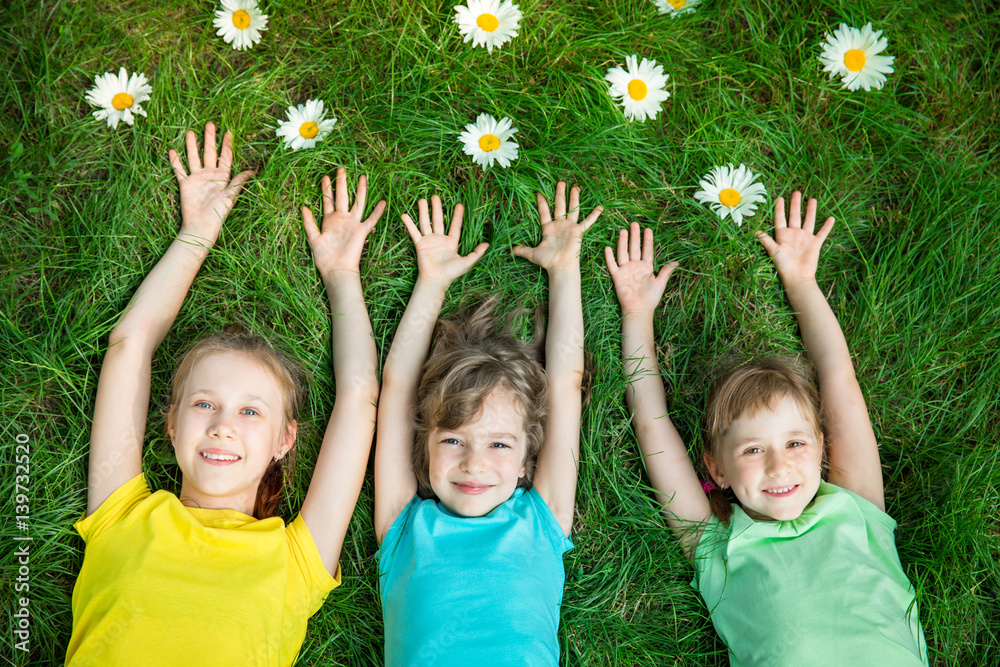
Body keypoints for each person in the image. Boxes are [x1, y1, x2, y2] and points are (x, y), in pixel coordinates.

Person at [66, 123, 384, 666]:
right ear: (170, 423)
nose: (222, 425)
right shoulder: (121, 517)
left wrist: (341, 273)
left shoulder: (294, 561)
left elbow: (360, 397)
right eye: (204, 403)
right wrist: (196, 234)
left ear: (285, 440)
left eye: (251, 411)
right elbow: (130, 345)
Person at [606, 193, 928, 665]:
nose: (780, 465)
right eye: (753, 451)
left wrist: (802, 281)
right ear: (716, 469)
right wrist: (636, 315)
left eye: (795, 442)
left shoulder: (857, 507)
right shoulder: (715, 544)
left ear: (822, 447)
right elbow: (653, 430)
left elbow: (839, 377)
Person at [374, 183, 601, 665]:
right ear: (426, 446)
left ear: (526, 458)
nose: (474, 464)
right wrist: (430, 283)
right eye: (454, 438)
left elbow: (565, 384)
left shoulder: (544, 518)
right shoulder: (403, 527)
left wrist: (565, 270)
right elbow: (395, 390)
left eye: (499, 444)